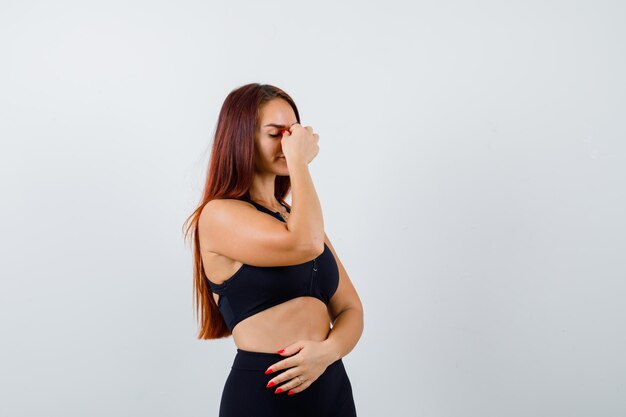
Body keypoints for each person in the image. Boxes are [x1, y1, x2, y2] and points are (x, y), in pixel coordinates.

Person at [182, 83, 364, 416]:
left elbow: (351, 309)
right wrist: (300, 163)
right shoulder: (219, 214)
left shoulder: (298, 218)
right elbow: (306, 244)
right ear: (242, 138)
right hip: (267, 395)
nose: (288, 142)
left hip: (332, 389)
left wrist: (327, 352)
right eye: (275, 133)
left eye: (293, 132)